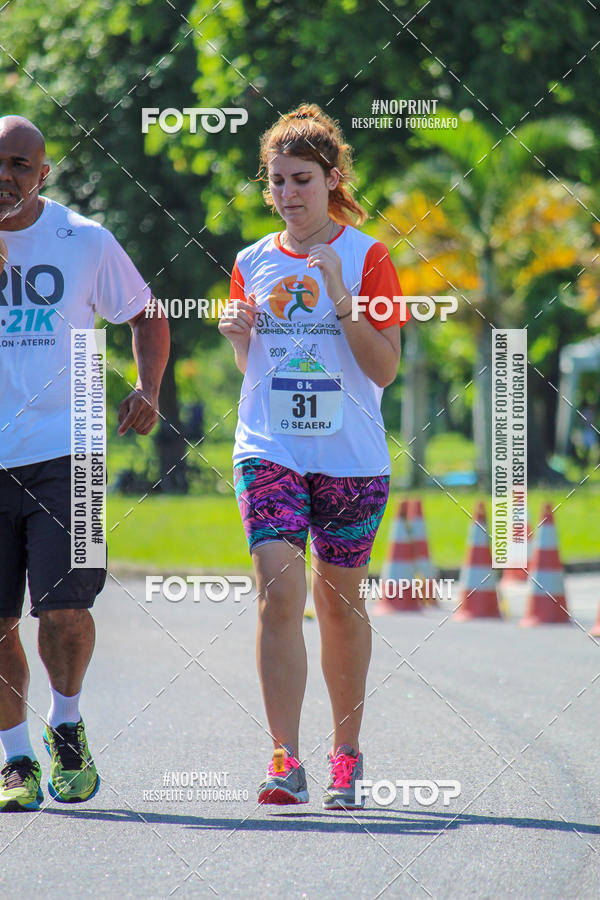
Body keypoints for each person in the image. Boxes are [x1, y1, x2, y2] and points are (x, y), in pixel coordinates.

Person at [219, 103, 408, 810]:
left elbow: (384, 368)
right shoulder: (250, 262)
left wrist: (341, 297)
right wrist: (239, 335)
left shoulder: (368, 257)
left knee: (338, 604)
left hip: (350, 455)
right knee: (278, 591)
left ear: (332, 180)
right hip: (270, 446)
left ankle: (345, 755)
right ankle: (284, 759)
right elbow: (255, 369)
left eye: (301, 179)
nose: (288, 193)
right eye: (277, 181)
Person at [0, 116, 169, 811]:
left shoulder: (85, 239)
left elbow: (147, 314)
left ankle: (65, 723)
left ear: (43, 174)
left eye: (19, 164)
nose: (5, 175)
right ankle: (16, 760)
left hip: (73, 452)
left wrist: (148, 389)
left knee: (66, 611)